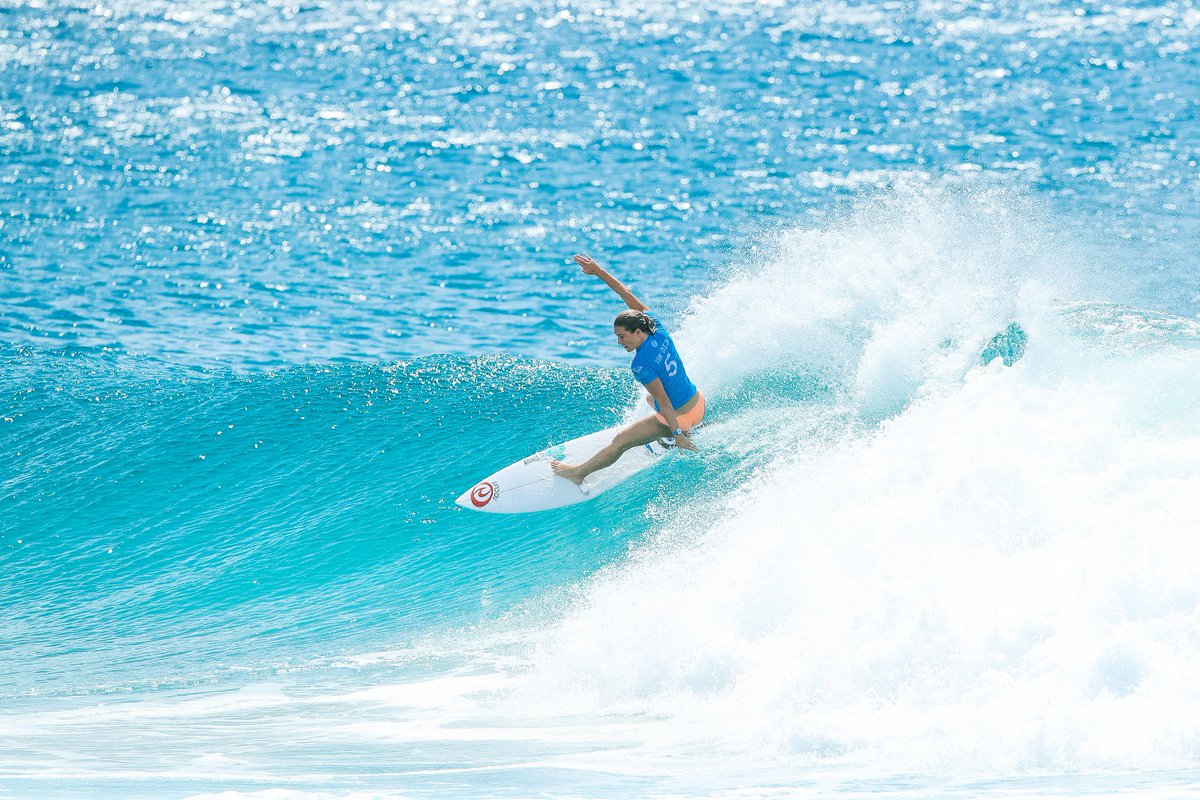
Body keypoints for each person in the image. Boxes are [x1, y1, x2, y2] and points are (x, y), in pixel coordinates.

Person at [551, 253, 705, 484]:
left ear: (637, 332)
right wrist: (599, 271)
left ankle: (578, 473)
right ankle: (680, 432)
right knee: (648, 399)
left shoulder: (641, 364)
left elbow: (664, 401)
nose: (620, 342)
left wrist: (677, 434)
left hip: (681, 419)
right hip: (699, 405)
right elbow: (627, 295)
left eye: (622, 337)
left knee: (620, 442)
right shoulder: (656, 327)